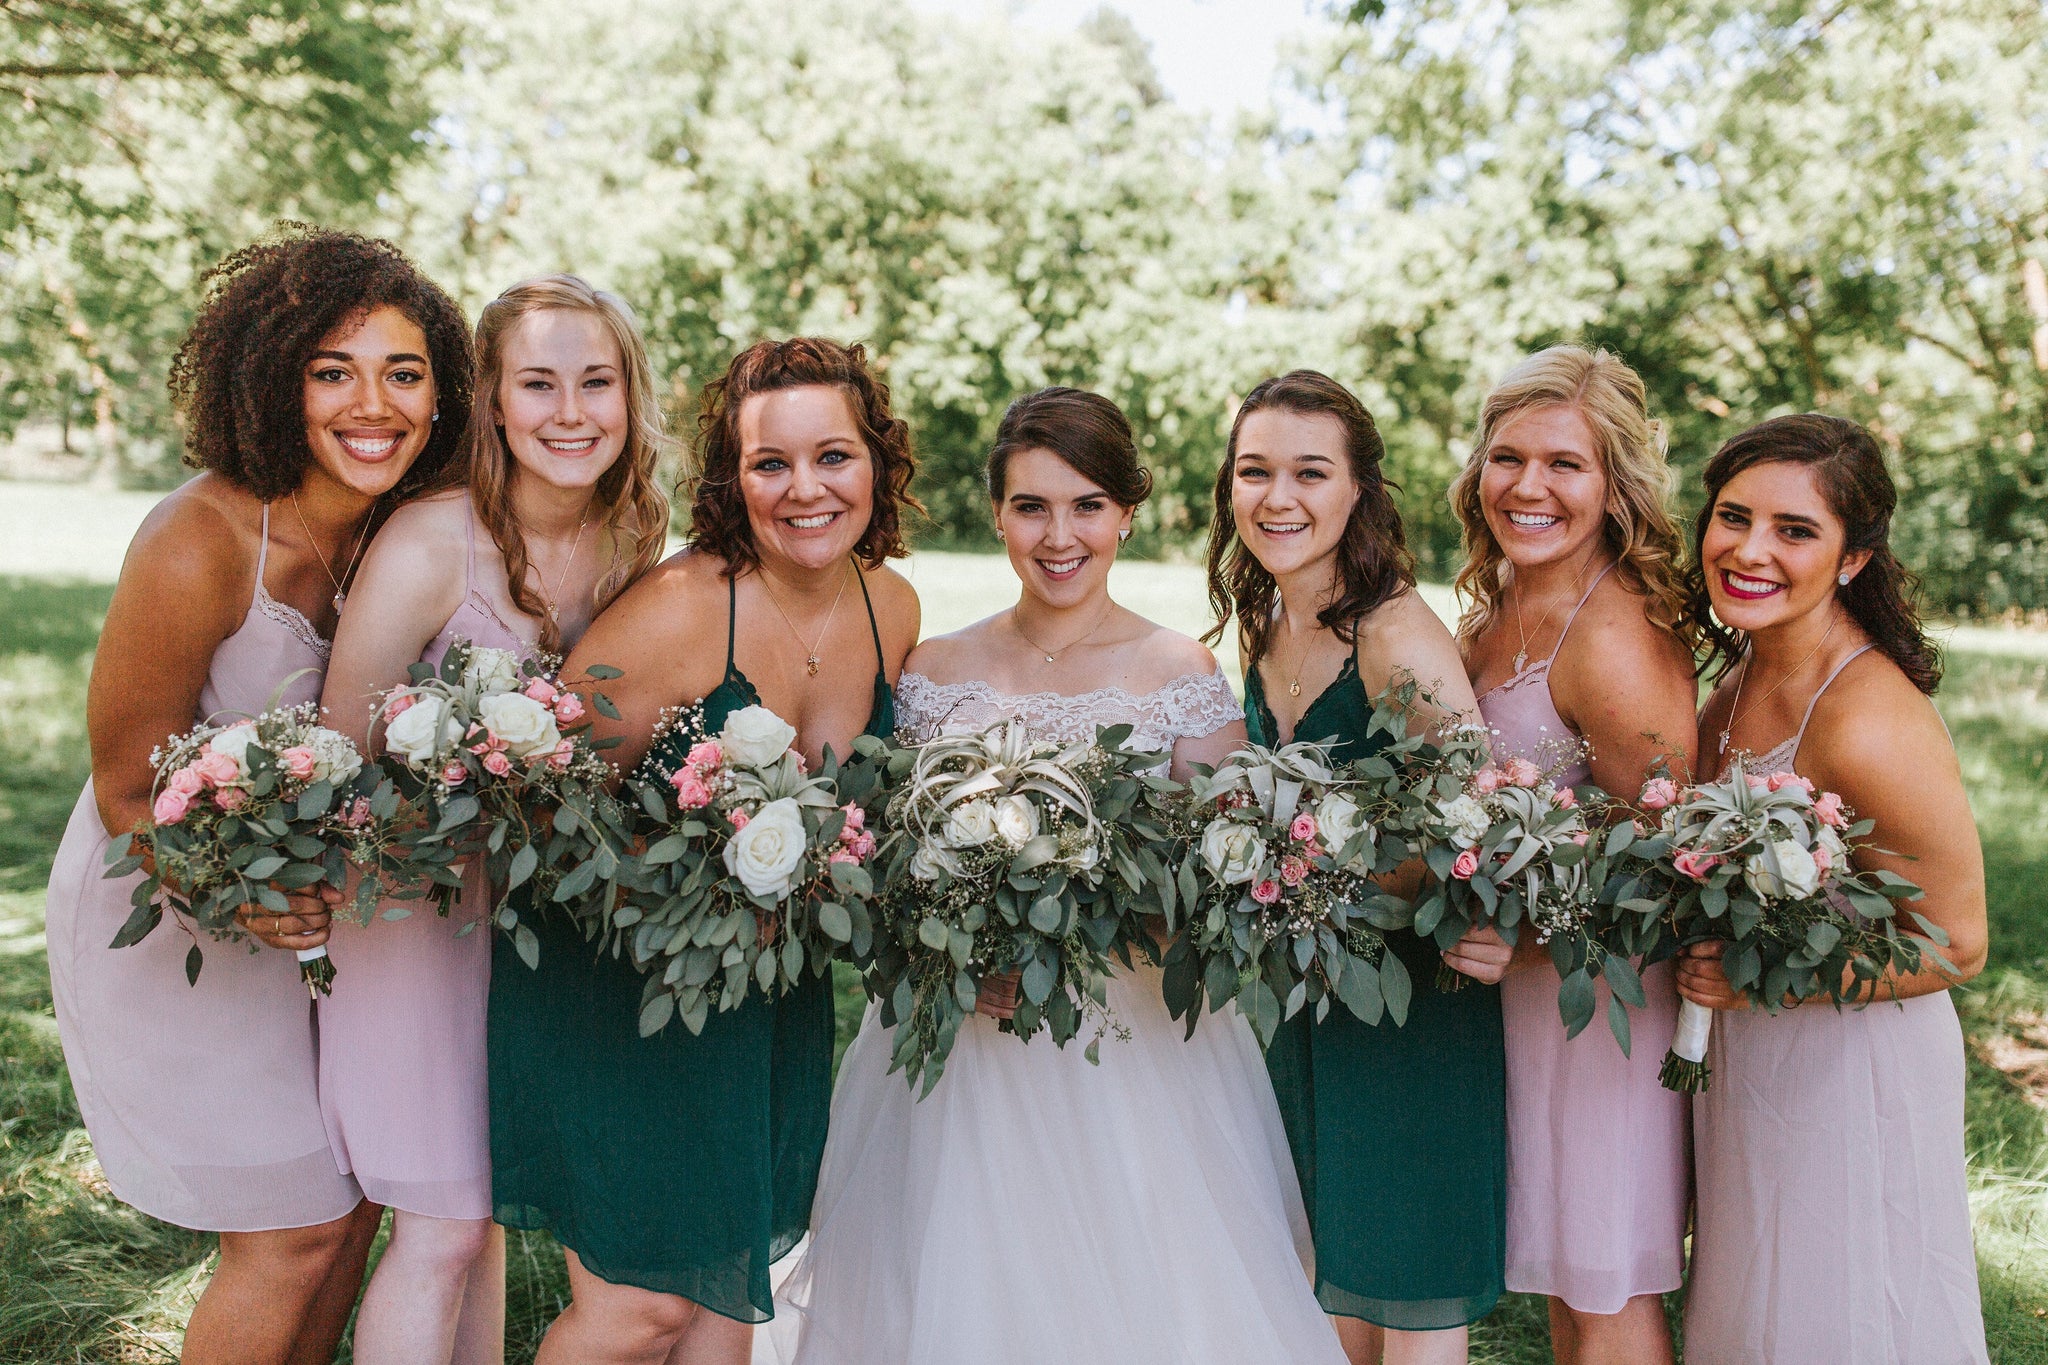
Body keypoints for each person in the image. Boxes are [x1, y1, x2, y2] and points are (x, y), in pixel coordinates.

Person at [769, 386, 1346, 1364]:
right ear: (995, 512)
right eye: (1030, 506)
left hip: (1129, 1048)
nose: (1057, 534)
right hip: (953, 1053)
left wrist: (1086, 930)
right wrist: (949, 947)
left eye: (1084, 505)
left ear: (1125, 511)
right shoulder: (934, 670)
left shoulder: (1177, 674)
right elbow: (884, 868)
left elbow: (1217, 886)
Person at [43, 224, 471, 1364]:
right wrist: (241, 898)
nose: (370, 403)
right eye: (333, 370)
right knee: (291, 1235)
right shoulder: (200, 539)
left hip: (328, 928)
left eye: (403, 371)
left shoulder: (404, 530)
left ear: (441, 395)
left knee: (349, 1212)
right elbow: (128, 782)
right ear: (275, 380)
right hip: (170, 912)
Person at [494, 337, 920, 1365]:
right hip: (622, 996)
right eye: (769, 464)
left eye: (834, 456)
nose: (804, 489)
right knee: (638, 1313)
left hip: (773, 1002)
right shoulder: (682, 610)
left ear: (878, 462)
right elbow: (530, 806)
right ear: (731, 481)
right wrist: (687, 881)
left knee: (731, 1304)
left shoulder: (891, 606)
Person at [315, 275, 670, 1364]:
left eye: (595, 382)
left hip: (537, 926)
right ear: (495, 402)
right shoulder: (430, 544)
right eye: (538, 383)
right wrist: (462, 786)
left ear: (628, 394)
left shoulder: (630, 539)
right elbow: (334, 757)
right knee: (442, 1224)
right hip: (411, 913)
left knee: (479, 1227)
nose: (571, 412)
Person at [1209, 370, 1507, 1365]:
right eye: (1254, 472)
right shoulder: (1269, 622)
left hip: (1410, 1009)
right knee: (1324, 1284)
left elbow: (1475, 825)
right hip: (1304, 1001)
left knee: (1410, 1301)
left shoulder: (1393, 636)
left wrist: (1326, 874)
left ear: (1357, 493)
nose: (1276, 498)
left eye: (1307, 472)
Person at [1678, 413, 1989, 1365]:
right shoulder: (1739, 675)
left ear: (1853, 559)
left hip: (1853, 1066)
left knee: (1841, 1311)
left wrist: (1762, 978)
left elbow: (1959, 941)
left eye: (1795, 530)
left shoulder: (1868, 718)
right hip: (1756, 1056)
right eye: (1733, 517)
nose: (1750, 549)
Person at [1450, 346, 1696, 1365]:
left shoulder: (1613, 637)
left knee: (1605, 1291)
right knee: (1564, 1284)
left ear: (1614, 487)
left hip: (1599, 1005)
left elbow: (1669, 863)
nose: (1528, 486)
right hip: (1521, 997)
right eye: (1506, 458)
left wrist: (1526, 943)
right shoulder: (1498, 606)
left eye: (1564, 464)